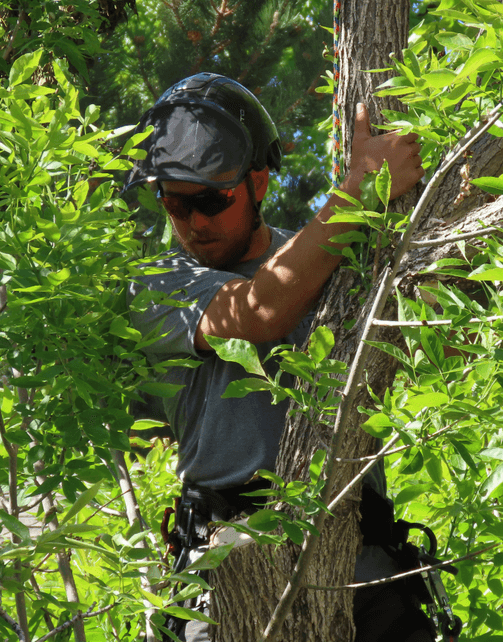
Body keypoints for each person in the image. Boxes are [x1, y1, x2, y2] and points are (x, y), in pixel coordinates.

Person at [125, 73, 438, 641]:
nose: (194, 223)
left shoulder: (330, 256)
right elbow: (255, 313)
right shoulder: (158, 283)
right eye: (174, 201)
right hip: (229, 572)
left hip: (359, 564)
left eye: (212, 200)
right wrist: (365, 186)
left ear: (260, 182)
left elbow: (437, 339)